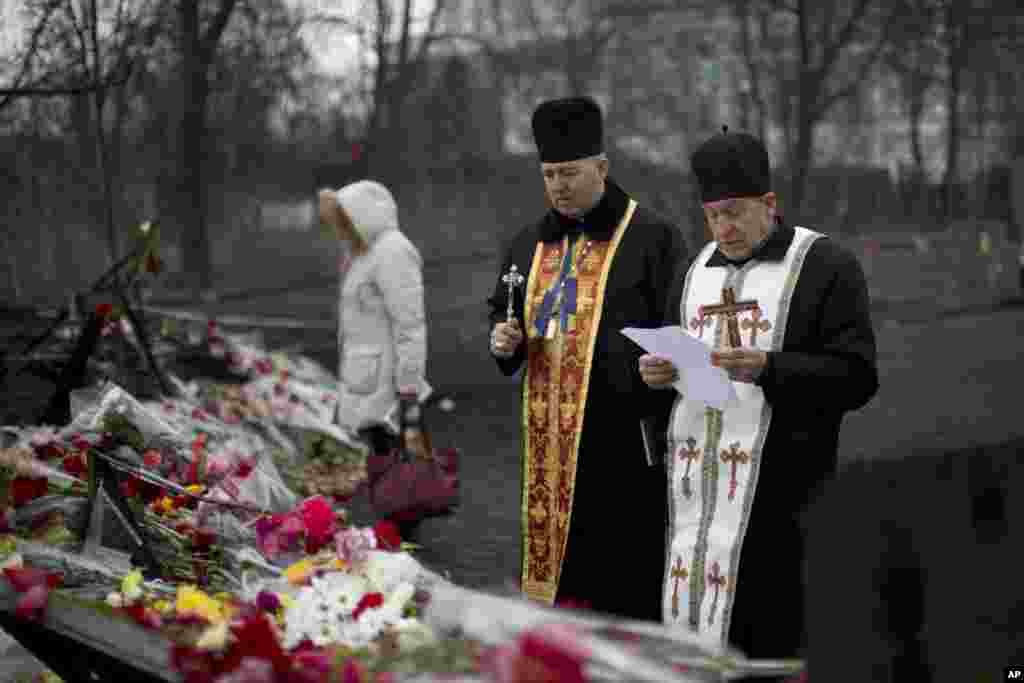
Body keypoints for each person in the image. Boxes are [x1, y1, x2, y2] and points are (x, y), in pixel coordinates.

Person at [638, 127, 879, 672]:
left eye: (735, 212)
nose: (722, 228)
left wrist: (772, 368)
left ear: (770, 204)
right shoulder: (692, 272)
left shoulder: (826, 266)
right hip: (695, 506)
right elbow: (682, 380)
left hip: (784, 501)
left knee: (771, 645)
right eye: (712, 215)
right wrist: (657, 376)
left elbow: (859, 378)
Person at [487, 96, 688, 620]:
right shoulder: (528, 242)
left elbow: (683, 327)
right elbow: (504, 310)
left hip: (622, 441)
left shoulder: (654, 237)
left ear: (601, 167)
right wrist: (503, 340)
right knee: (560, 594)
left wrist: (667, 371)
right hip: (548, 445)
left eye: (569, 172)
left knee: (621, 584)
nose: (557, 184)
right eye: (549, 173)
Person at [320, 180, 432, 533]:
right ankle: (395, 524)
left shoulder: (394, 252)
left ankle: (402, 527)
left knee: (396, 451)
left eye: (346, 220)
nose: (341, 230)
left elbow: (410, 324)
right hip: (367, 372)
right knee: (383, 452)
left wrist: (409, 384)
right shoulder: (363, 253)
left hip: (389, 375)